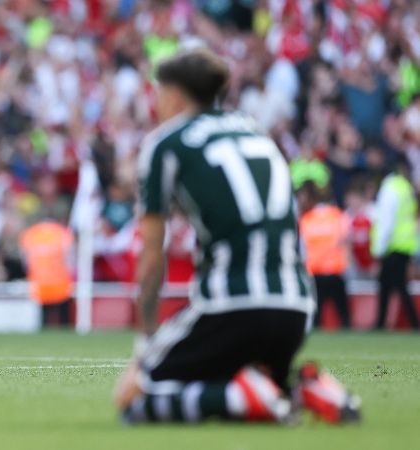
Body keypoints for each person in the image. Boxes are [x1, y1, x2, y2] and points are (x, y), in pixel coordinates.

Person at [113, 49, 360, 424]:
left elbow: (150, 253)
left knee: (133, 399)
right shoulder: (257, 134)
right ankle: (300, 389)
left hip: (231, 305)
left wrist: (146, 339)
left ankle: (236, 398)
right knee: (241, 374)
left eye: (160, 92)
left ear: (176, 95)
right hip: (296, 309)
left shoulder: (167, 142)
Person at [371, 156, 420, 330]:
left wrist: (379, 249)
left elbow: (386, 220)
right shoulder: (405, 188)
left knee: (394, 285)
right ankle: (381, 323)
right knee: (389, 285)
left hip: (393, 245)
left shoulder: (389, 188)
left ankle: (409, 323)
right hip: (406, 244)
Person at [297, 181, 351, 329]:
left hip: (315, 272)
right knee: (344, 315)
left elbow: (302, 248)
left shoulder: (306, 219)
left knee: (316, 316)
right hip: (335, 271)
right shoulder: (338, 215)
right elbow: (346, 240)